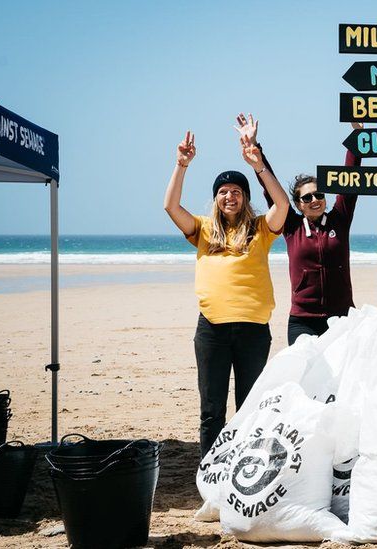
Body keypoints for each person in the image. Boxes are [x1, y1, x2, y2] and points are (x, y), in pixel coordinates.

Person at [163, 119, 290, 457]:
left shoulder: (261, 229)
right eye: (223, 192)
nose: (229, 196)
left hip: (253, 331)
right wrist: (181, 165)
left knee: (250, 409)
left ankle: (243, 474)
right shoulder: (203, 230)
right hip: (212, 331)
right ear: (216, 199)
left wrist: (258, 164)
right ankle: (211, 479)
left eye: (235, 191)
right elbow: (171, 207)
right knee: (211, 411)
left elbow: (283, 205)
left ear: (245, 197)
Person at [234, 114, 363, 344]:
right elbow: (271, 191)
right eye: (307, 197)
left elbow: (350, 179)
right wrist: (255, 149)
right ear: (298, 204)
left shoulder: (339, 219)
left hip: (343, 317)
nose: (315, 199)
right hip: (303, 320)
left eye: (319, 194)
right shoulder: (291, 226)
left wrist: (357, 136)